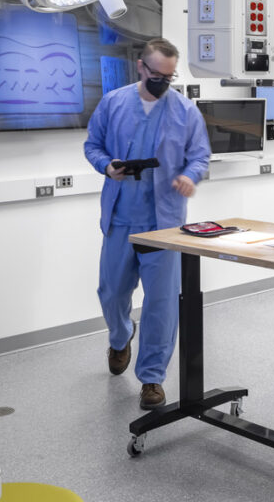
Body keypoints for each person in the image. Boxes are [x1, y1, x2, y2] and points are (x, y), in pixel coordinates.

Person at [84, 38, 211, 410]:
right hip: (122, 216)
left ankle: (152, 378)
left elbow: (201, 155)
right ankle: (121, 335)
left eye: (169, 77)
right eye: (156, 74)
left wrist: (190, 175)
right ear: (140, 67)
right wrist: (107, 166)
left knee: (161, 303)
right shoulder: (113, 103)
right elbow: (93, 145)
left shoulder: (185, 111)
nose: (162, 82)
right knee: (111, 293)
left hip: (165, 223)